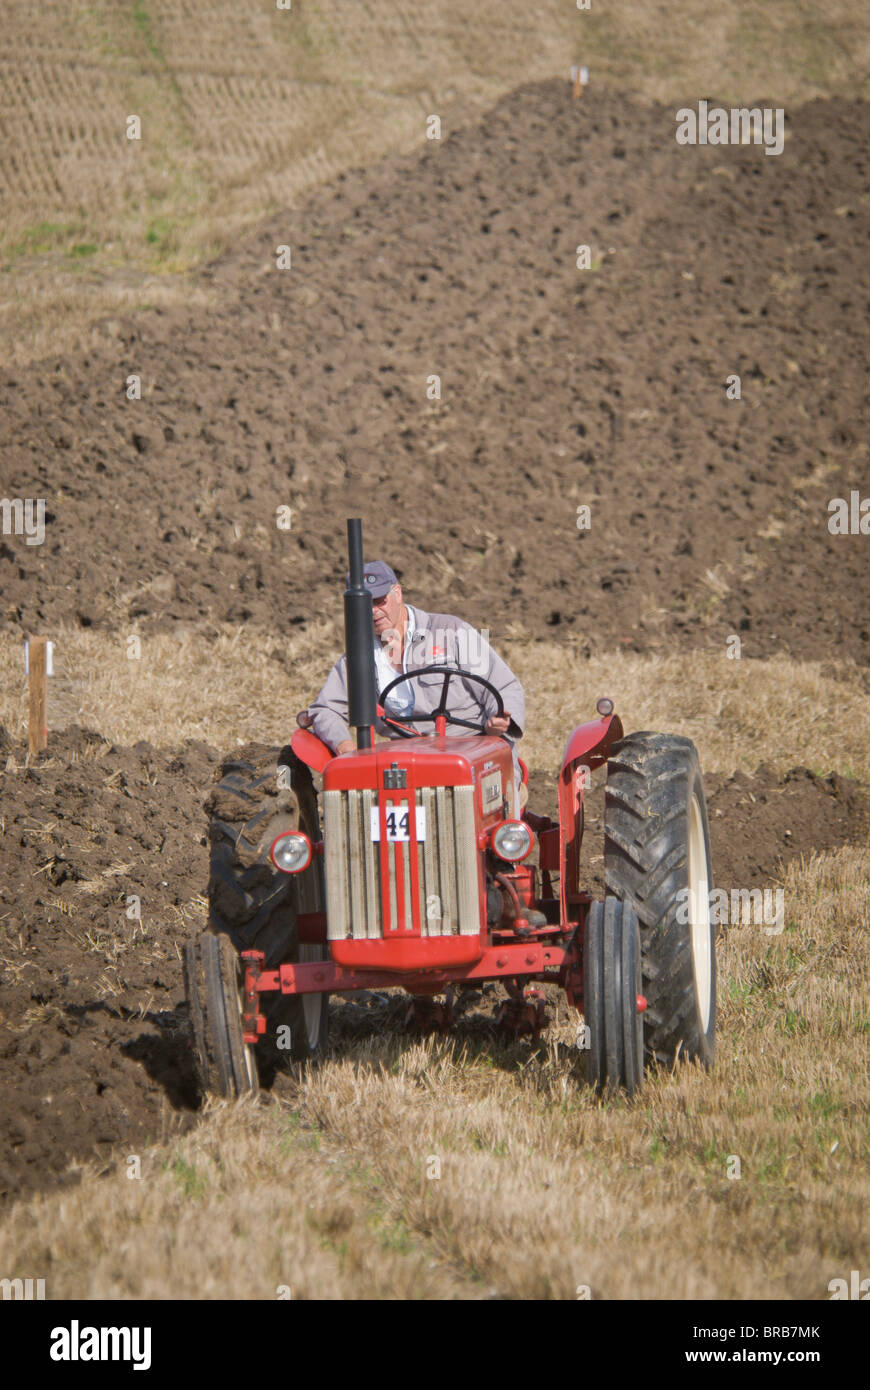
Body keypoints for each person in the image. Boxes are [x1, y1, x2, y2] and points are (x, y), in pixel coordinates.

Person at [306, 561, 527, 810]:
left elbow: (503, 685)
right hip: (405, 762)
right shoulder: (359, 657)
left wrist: (498, 719)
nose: (373, 611)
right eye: (363, 605)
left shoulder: (450, 631)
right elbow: (324, 709)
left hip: (471, 748)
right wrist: (345, 747)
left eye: (380, 601)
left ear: (397, 593)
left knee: (493, 817)